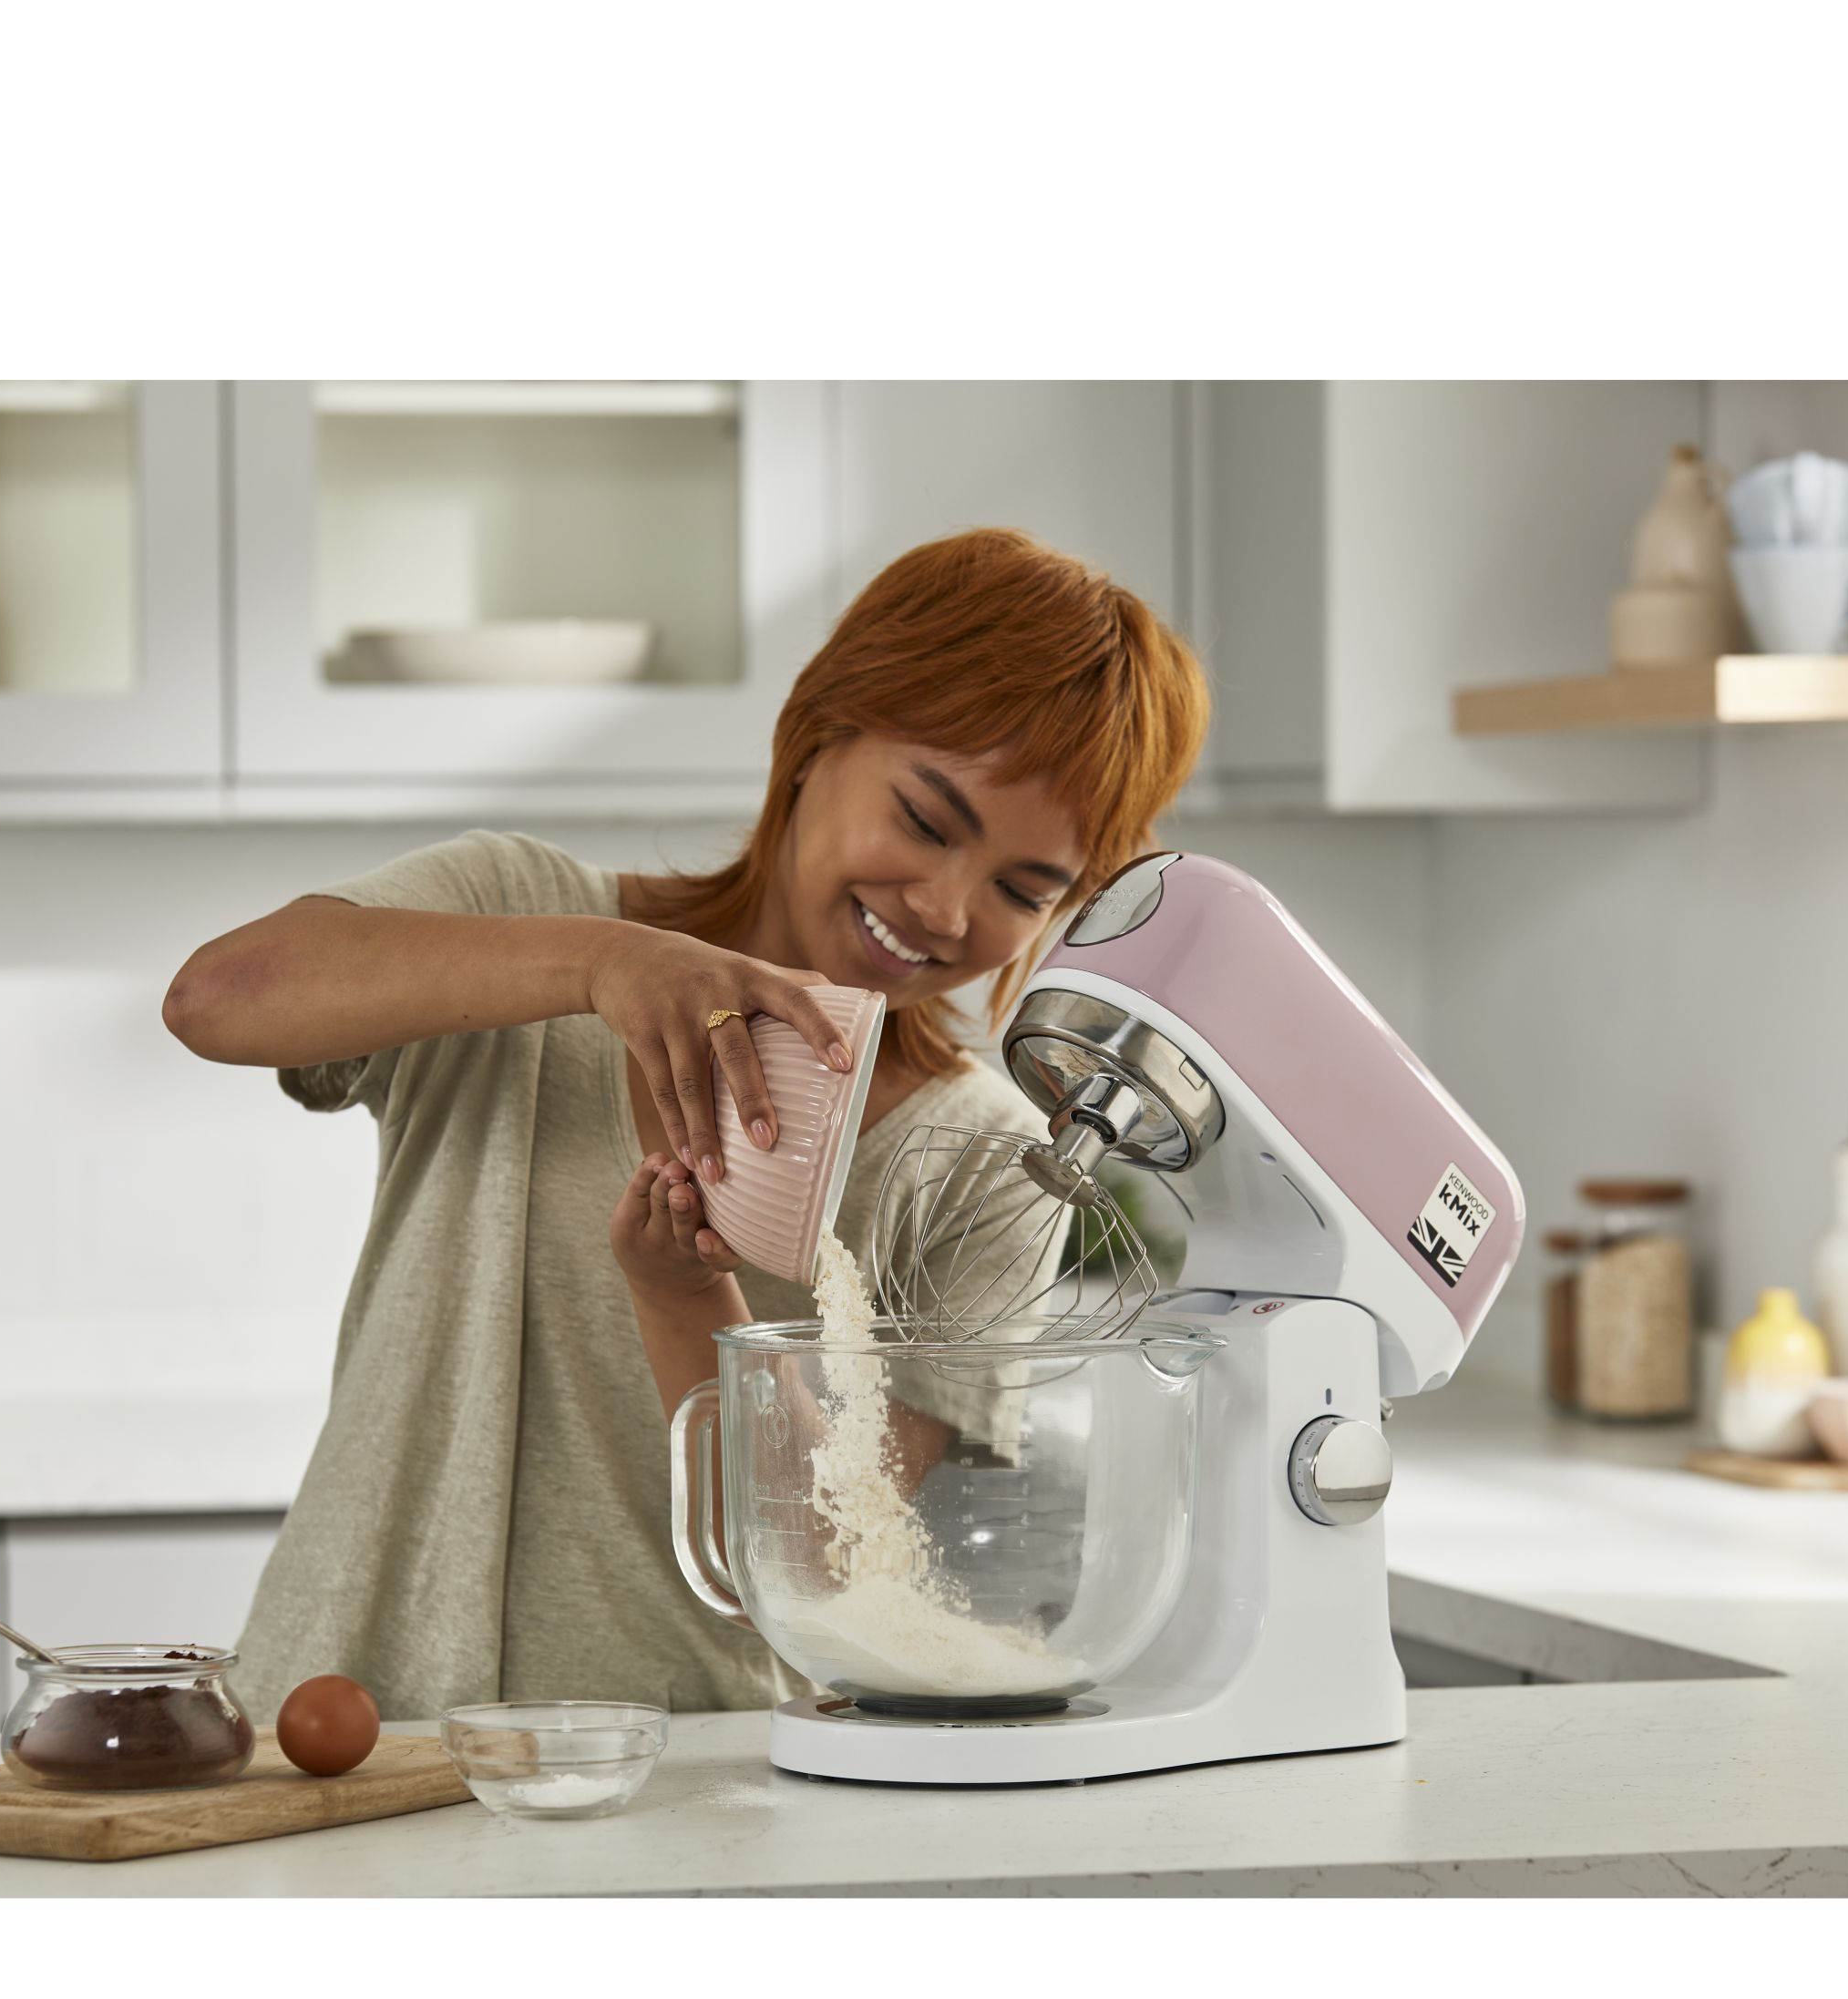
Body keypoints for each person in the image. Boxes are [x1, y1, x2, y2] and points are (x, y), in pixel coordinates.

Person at [162, 528, 1210, 1717]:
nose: (943, 907)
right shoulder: (520, 912)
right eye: (927, 821)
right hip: (347, 1726)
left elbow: (834, 1563)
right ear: (818, 738)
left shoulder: (986, 1162)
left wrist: (682, 1298)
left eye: (1024, 889)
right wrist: (601, 963)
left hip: (684, 1767)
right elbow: (215, 999)